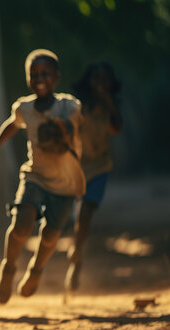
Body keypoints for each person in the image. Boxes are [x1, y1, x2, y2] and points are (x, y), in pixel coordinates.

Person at [0, 49, 85, 304]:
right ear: (28, 78)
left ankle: (36, 269)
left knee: (51, 234)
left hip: (65, 182)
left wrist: (62, 130)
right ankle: (9, 267)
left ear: (57, 77)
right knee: (22, 223)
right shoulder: (25, 108)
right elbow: (12, 124)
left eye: (45, 74)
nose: (39, 78)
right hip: (35, 176)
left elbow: (73, 126)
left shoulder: (69, 105)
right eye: (34, 74)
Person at [66, 62, 122, 292]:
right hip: (76, 166)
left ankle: (76, 258)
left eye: (104, 79)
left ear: (110, 82)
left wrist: (108, 101)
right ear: (88, 81)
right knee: (69, 215)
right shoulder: (78, 105)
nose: (100, 83)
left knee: (86, 211)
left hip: (100, 166)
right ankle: (73, 253)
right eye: (96, 78)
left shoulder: (112, 106)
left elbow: (116, 129)